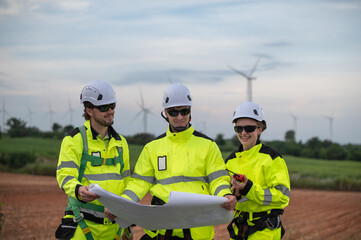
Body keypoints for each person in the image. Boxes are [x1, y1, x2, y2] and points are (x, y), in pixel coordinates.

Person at [112, 83, 236, 239]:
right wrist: (122, 204)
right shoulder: (152, 148)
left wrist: (225, 194)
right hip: (162, 228)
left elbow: (218, 179)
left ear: (190, 111)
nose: (179, 117)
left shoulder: (208, 145)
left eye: (184, 111)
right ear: (165, 113)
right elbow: (139, 183)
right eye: (173, 112)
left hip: (197, 229)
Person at [55, 80, 133, 240]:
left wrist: (127, 226)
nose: (110, 111)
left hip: (115, 229)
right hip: (83, 226)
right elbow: (65, 174)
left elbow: (126, 181)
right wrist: (77, 189)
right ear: (89, 110)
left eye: (112, 106)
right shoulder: (74, 140)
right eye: (104, 107)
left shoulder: (121, 143)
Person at [225, 102, 290, 240]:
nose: (243, 133)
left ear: (260, 129)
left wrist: (249, 188)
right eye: (239, 128)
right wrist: (233, 194)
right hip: (239, 231)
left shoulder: (272, 158)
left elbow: (283, 197)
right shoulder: (230, 161)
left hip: (265, 231)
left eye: (249, 128)